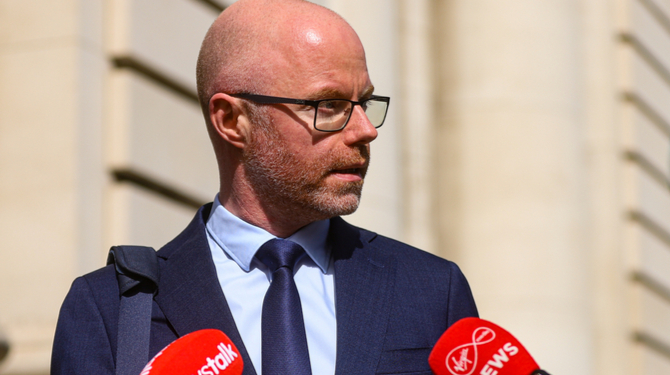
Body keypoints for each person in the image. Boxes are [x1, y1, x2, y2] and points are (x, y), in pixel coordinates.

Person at [51, 0, 478, 374]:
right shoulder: (111, 308)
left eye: (363, 102)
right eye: (328, 105)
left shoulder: (431, 288)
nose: (365, 130)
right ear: (232, 121)